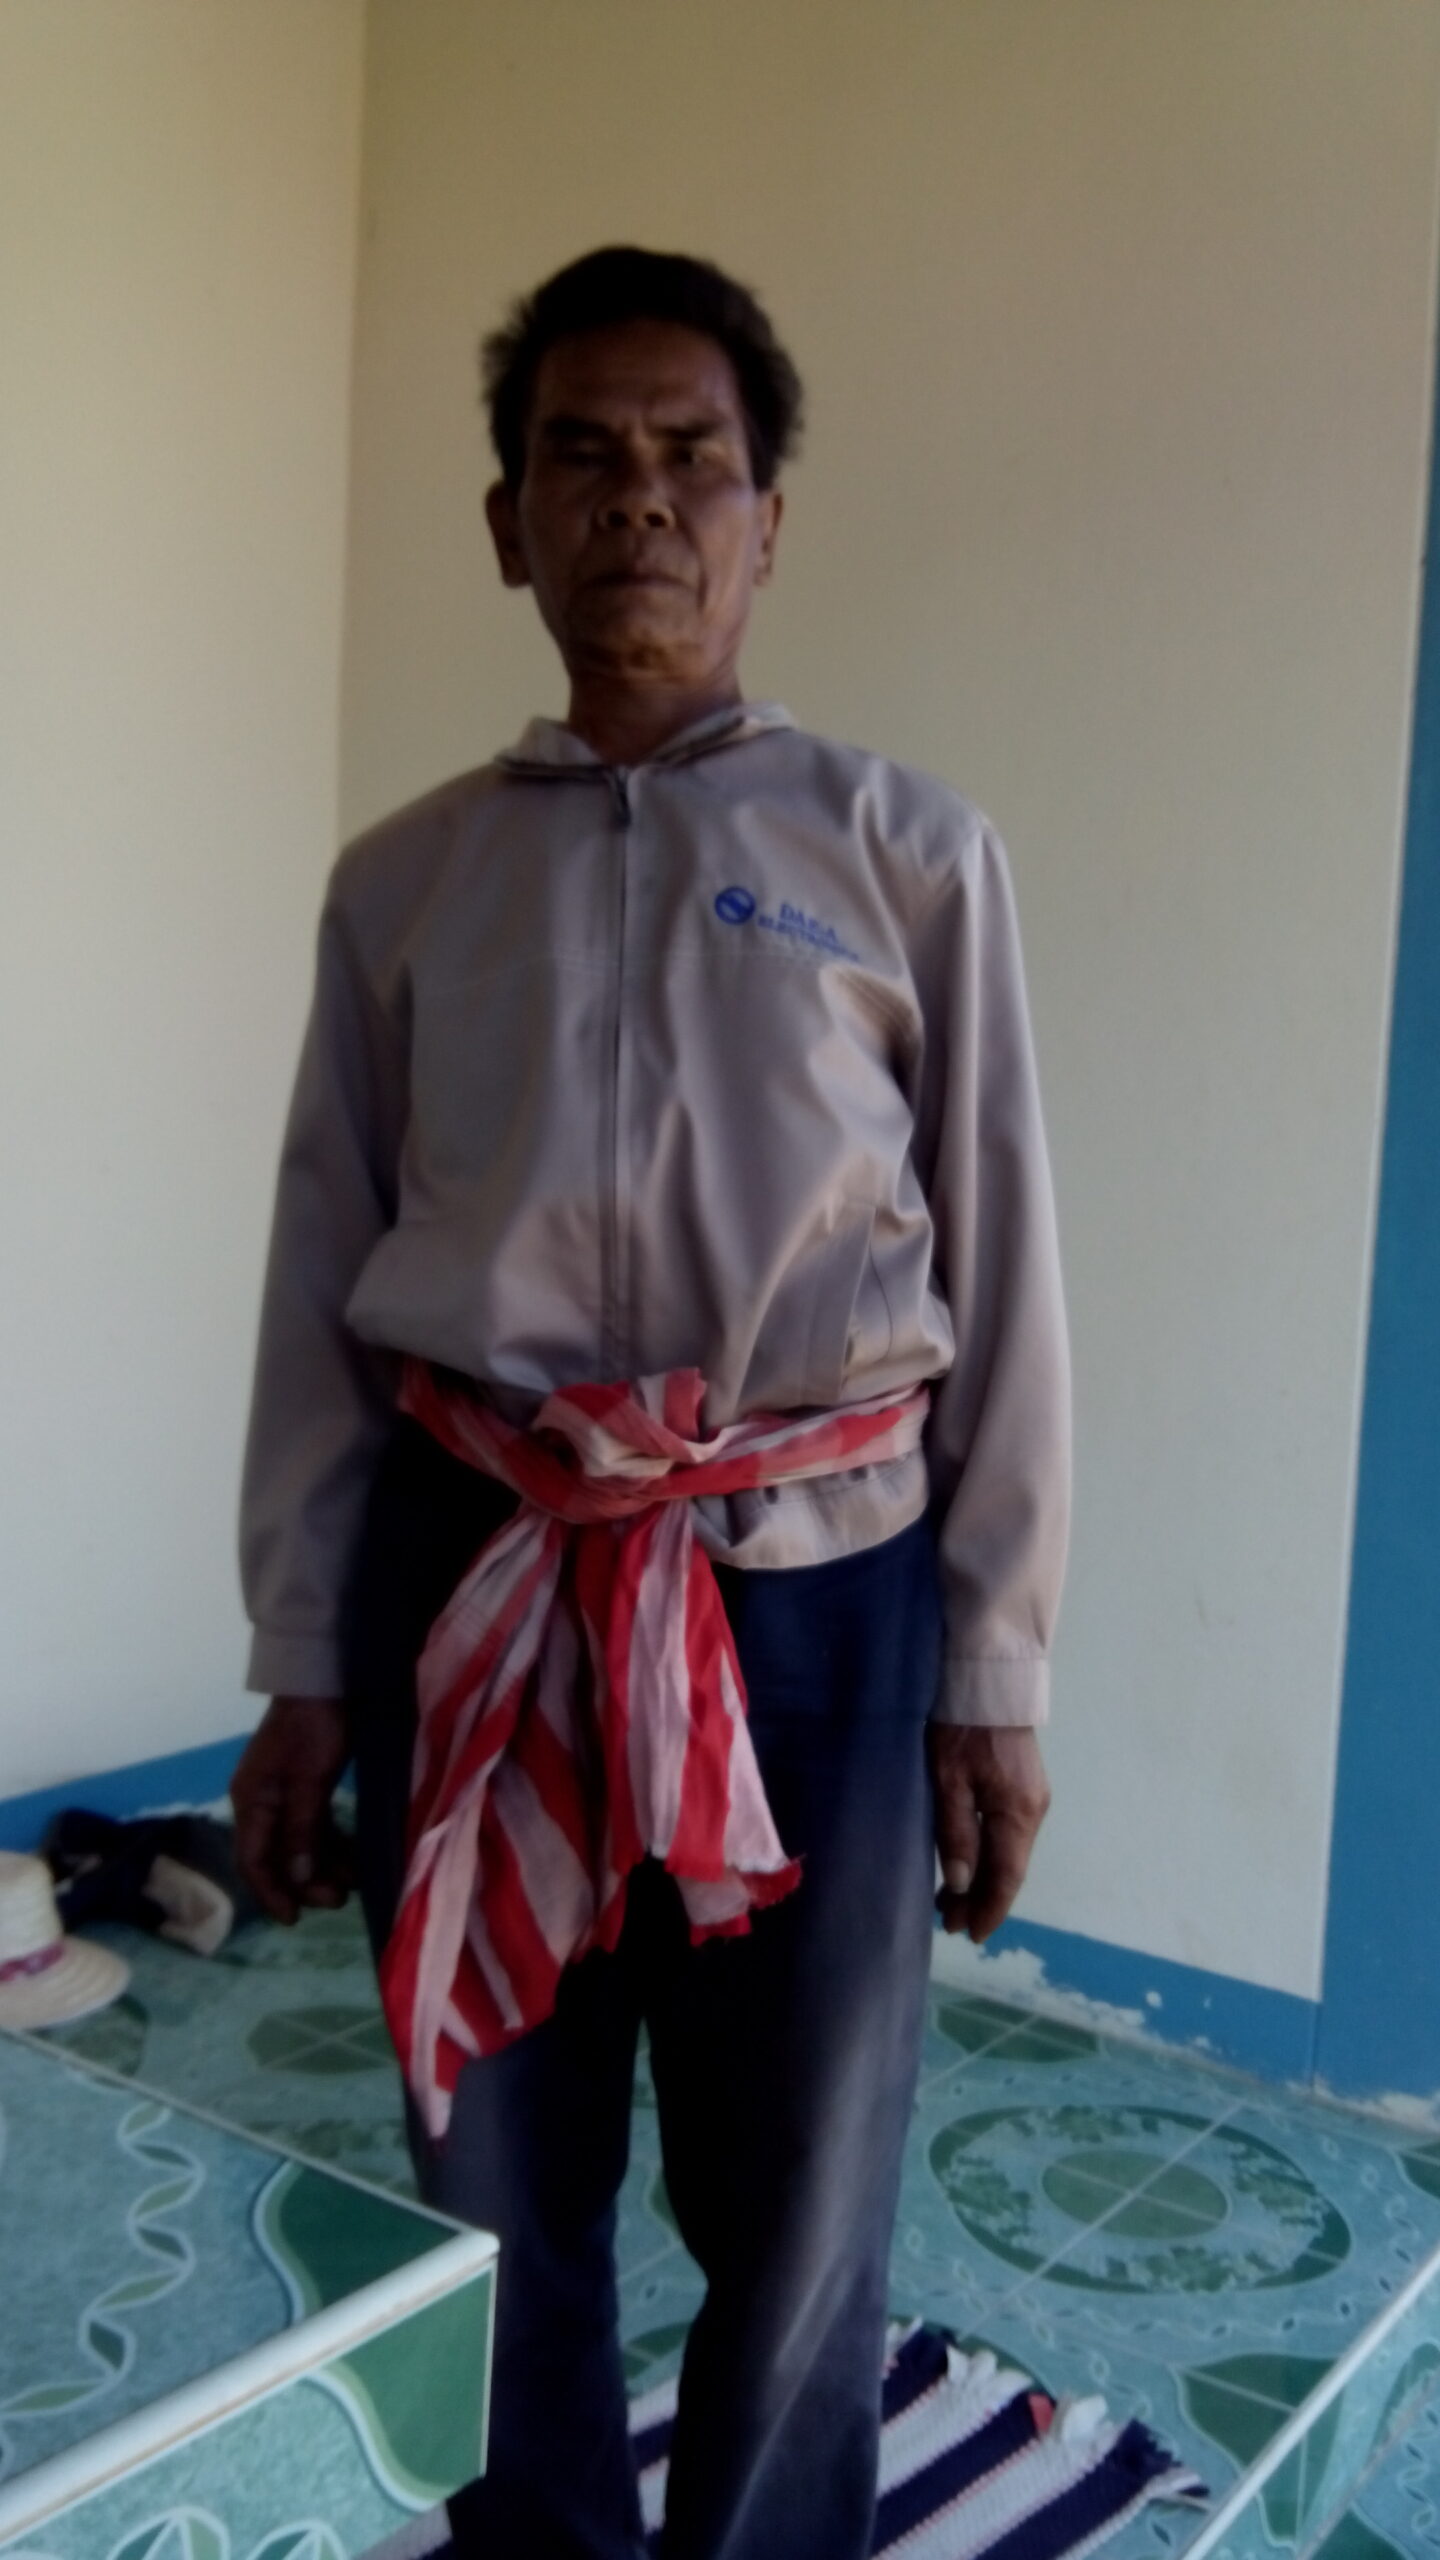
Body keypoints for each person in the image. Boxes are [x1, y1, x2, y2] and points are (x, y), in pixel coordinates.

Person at [231, 245, 1070, 2560]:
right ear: (508, 523)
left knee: (803, 2179)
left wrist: (994, 1671)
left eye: (694, 458)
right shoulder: (404, 886)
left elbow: (1006, 1276)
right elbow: (319, 1283)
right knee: (492, 2156)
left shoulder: (907, 857)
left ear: (768, 519)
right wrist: (301, 1655)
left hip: (816, 1595)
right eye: (580, 456)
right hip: (474, 1575)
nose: (640, 502)